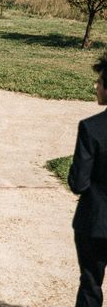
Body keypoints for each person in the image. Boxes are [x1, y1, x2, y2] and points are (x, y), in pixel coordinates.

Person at [69, 53, 107, 307]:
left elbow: (78, 183)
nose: (96, 87)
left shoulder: (91, 128)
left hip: (95, 221)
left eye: (100, 82)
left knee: (91, 284)